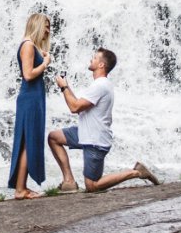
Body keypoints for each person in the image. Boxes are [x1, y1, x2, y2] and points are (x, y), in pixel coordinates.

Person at [49, 47, 161, 192]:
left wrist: (64, 88)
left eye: (95, 58)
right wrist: (67, 87)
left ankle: (136, 172)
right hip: (85, 133)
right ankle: (69, 181)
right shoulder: (100, 84)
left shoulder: (100, 85)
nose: (91, 59)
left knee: (92, 186)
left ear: (101, 65)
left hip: (95, 140)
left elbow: (74, 107)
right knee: (54, 137)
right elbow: (79, 106)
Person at [8, 13, 53, 199]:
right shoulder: (27, 45)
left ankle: (22, 187)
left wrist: (42, 56)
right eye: (46, 26)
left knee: (29, 141)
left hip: (35, 97)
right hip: (30, 98)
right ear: (37, 25)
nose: (48, 30)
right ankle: (20, 190)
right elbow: (27, 75)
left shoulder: (32, 46)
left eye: (49, 27)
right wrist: (45, 63)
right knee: (27, 142)